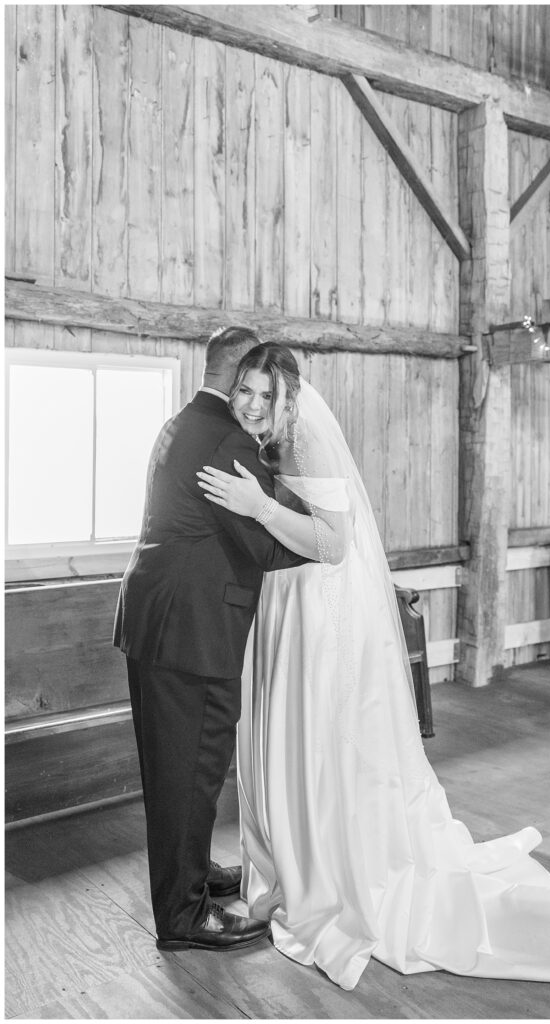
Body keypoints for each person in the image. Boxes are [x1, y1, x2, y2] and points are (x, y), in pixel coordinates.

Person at [197, 342, 550, 990]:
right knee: (284, 741)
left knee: (318, 744)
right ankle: (282, 868)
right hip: (283, 603)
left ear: (288, 399)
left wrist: (260, 508)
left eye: (263, 395)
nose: (249, 403)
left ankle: (322, 872)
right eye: (243, 389)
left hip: (317, 610)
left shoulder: (303, 443)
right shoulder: (265, 441)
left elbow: (334, 543)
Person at [113, 327, 309, 953]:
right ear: (236, 374)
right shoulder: (227, 438)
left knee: (172, 770)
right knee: (191, 771)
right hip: (191, 630)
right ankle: (185, 916)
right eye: (250, 382)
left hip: (156, 617)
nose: (255, 399)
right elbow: (261, 543)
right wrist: (323, 538)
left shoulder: (181, 421)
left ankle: (189, 881)